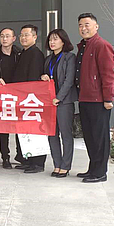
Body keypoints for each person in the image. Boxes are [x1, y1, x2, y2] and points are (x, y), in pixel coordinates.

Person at [75, 13, 114, 183]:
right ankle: (93, 169)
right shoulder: (84, 46)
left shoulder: (102, 45)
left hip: (99, 100)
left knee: (99, 138)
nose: (83, 28)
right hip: (85, 98)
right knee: (90, 137)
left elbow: (109, 74)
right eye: (80, 25)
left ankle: (100, 173)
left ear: (96, 26)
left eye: (87, 24)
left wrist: (108, 98)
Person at [4, 24, 46, 173]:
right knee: (24, 131)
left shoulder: (36, 54)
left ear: (35, 37)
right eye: (21, 35)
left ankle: (38, 164)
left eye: (26, 35)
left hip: (31, 99)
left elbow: (33, 78)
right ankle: (28, 160)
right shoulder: (23, 53)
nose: (23, 38)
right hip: (22, 98)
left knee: (34, 131)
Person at [41, 29, 77, 178]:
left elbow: (69, 80)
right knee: (52, 134)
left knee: (66, 134)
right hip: (49, 101)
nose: (52, 42)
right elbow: (47, 77)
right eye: (50, 39)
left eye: (55, 39)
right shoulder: (48, 59)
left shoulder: (70, 57)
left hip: (64, 102)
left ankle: (65, 166)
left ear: (63, 41)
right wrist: (43, 77)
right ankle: (57, 164)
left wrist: (59, 97)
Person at [0, 28, 20, 169]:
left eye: (7, 36)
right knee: (3, 128)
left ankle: (20, 155)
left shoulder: (19, 54)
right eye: (2, 36)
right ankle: (5, 157)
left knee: (19, 126)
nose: (4, 39)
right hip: (1, 95)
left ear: (13, 38)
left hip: (18, 95)